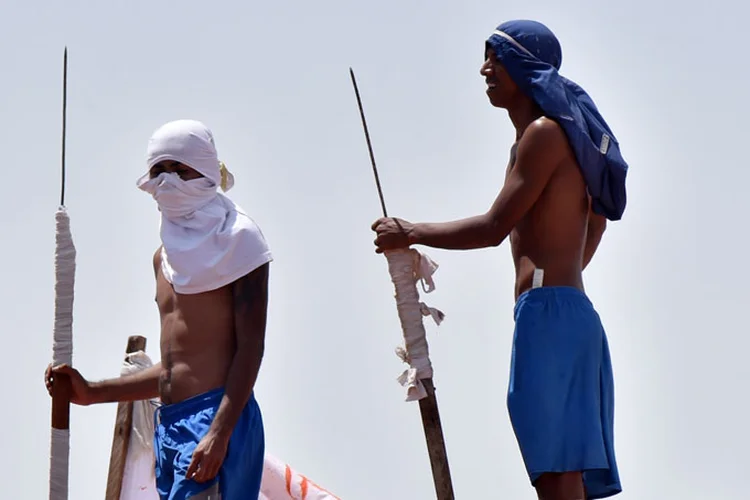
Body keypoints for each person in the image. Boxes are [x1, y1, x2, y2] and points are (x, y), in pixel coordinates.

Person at [372, 20, 627, 500]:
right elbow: (597, 222)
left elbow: (492, 228)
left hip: (551, 314)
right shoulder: (551, 138)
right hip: (560, 312)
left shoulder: (544, 136)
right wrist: (564, 277)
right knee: (557, 473)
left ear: (525, 67)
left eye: (497, 58)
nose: (485, 68)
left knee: (557, 474)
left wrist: (410, 232)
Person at [45, 119, 273, 500]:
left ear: (204, 170)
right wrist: (92, 392)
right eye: (158, 171)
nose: (167, 182)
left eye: (179, 170)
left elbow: (251, 348)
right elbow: (176, 369)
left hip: (218, 419)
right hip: (169, 426)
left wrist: (219, 433)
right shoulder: (164, 259)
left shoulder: (240, 240)